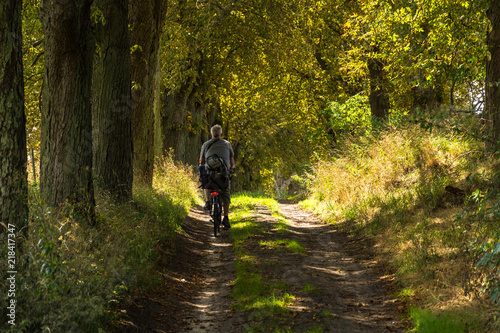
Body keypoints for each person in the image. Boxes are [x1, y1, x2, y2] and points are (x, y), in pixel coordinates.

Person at [199, 125, 235, 228]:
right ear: (221, 134)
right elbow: (232, 161)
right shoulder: (227, 144)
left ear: (211, 135)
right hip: (223, 174)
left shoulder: (205, 144)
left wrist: (201, 169)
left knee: (205, 180)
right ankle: (226, 218)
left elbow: (201, 161)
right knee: (226, 193)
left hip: (210, 174)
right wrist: (231, 169)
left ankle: (208, 201)